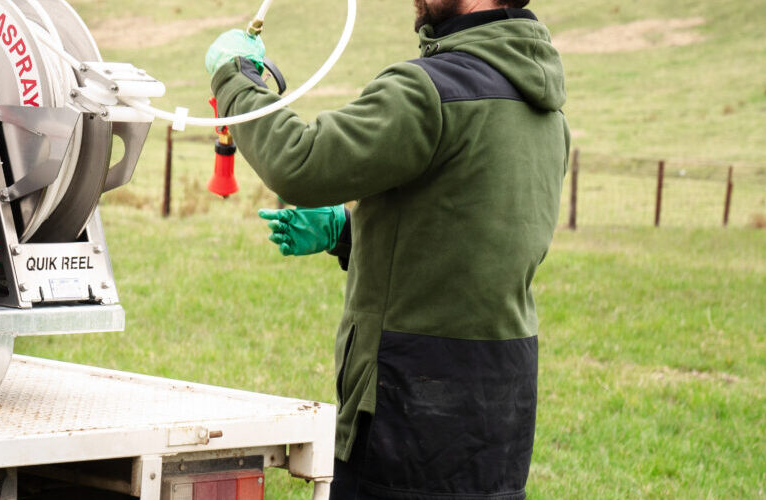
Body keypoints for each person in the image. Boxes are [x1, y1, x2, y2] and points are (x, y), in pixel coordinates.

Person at [204, 0, 566, 498]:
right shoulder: (544, 106)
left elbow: (300, 163)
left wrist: (234, 80)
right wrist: (348, 232)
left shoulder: (430, 91)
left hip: (408, 418)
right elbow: (469, 241)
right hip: (501, 418)